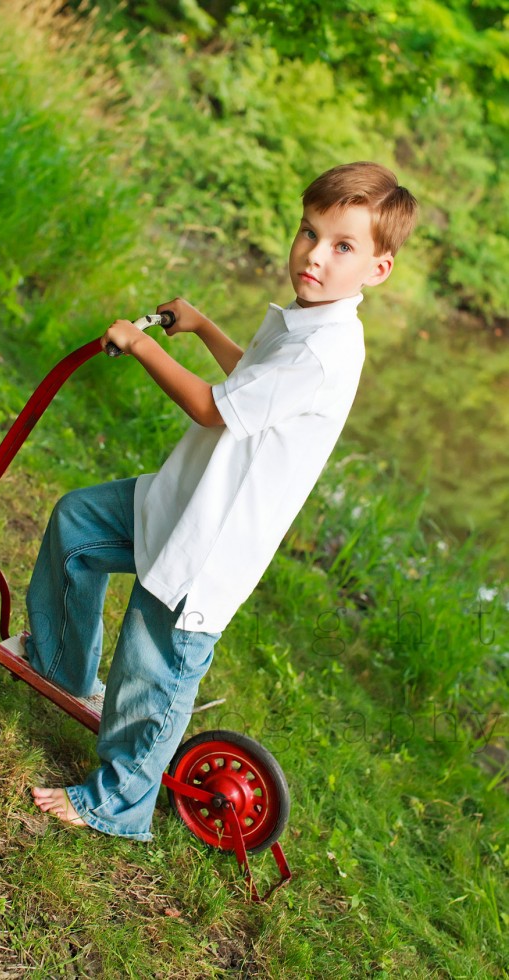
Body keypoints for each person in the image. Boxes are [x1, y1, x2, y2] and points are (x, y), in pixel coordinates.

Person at [27, 161, 418, 839]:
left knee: (149, 676)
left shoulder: (324, 352)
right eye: (308, 233)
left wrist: (143, 346)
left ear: (377, 270)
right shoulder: (305, 319)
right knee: (76, 523)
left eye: (342, 246)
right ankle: (62, 666)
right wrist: (204, 327)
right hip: (178, 498)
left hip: (205, 545)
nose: (314, 256)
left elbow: (213, 408)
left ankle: (115, 805)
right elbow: (250, 381)